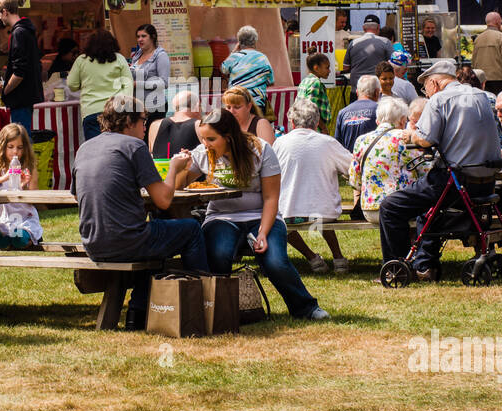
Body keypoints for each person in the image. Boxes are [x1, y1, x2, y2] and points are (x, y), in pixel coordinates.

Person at [72, 94, 210, 330]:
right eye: (143, 121)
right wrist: (175, 167)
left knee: (157, 234)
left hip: (93, 242)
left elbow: (80, 193)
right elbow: (164, 200)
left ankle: (138, 310)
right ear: (128, 121)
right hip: (127, 240)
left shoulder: (86, 147)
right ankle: (205, 302)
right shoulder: (134, 146)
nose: (145, 127)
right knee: (190, 229)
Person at [182, 107, 329, 321]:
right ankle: (220, 311)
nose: (206, 144)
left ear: (229, 137)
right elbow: (179, 187)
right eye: (203, 139)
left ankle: (305, 307)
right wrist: (181, 168)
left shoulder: (260, 150)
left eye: (211, 139)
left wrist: (262, 232)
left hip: (261, 216)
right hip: (221, 217)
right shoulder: (203, 153)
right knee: (218, 254)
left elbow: (271, 198)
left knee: (275, 262)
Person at [377, 58, 502, 277]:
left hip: (454, 181)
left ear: (434, 83)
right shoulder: (481, 95)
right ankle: (425, 264)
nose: (427, 94)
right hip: (486, 182)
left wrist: (411, 134)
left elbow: (426, 139)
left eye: (425, 89)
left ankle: (397, 268)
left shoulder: (440, 100)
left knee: (390, 206)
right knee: (429, 207)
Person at [275, 97, 352, 274]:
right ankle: (338, 258)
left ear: (292, 122)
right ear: (317, 122)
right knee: (321, 211)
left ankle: (312, 257)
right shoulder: (328, 142)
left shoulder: (280, 143)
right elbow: (351, 167)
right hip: (324, 213)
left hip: (289, 213)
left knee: (281, 220)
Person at [349, 96, 432, 223]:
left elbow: (355, 181)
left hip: (370, 210)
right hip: (400, 208)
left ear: (377, 120)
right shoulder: (405, 139)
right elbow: (426, 172)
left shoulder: (361, 140)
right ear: (403, 120)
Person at [66, 30, 134, 141]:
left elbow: (72, 85)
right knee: (117, 147)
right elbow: (128, 85)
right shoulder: (119, 59)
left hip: (91, 111)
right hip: (115, 110)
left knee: (96, 149)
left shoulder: (81, 60)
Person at [0, 123, 43, 250]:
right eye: (10, 147)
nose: (15, 151)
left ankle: (26, 239)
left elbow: (36, 198)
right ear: (3, 146)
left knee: (19, 238)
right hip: (5, 218)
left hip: (24, 218)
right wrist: (3, 178)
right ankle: (8, 240)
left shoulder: (29, 168)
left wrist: (24, 187)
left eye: (20, 147)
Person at [0, 0, 44, 134]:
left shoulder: (18, 33)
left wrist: (6, 90)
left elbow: (19, 71)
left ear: (5, 12)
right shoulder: (27, 31)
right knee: (23, 137)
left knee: (20, 138)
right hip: (27, 95)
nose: (0, 17)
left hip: (20, 98)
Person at [219, 25, 274, 109]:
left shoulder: (235, 57)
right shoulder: (263, 58)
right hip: (257, 104)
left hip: (236, 103)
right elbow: (271, 82)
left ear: (239, 42)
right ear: (255, 41)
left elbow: (223, 69)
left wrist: (234, 51)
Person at [128, 24, 170, 121]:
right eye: (138, 37)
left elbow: (164, 83)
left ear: (153, 37)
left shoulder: (161, 56)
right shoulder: (137, 55)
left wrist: (138, 84)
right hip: (139, 107)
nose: (140, 39)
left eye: (143, 36)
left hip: (155, 106)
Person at [470, 12, 502, 93]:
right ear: (497, 22)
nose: (501, 22)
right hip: (499, 81)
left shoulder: (478, 39)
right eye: (501, 21)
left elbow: (473, 62)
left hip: (481, 81)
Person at [342, 14, 393, 91]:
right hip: (378, 89)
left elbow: (345, 67)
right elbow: (393, 64)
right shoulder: (386, 42)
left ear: (363, 28)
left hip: (357, 89)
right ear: (378, 27)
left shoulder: (353, 43)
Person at [334, 75, 381, 153]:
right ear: (377, 92)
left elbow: (338, 145)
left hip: (349, 162)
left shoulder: (342, 113)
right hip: (371, 162)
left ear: (357, 92)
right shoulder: (380, 110)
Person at [149, 90, 201, 158]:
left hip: (160, 168)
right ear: (196, 107)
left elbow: (151, 153)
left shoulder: (155, 125)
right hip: (188, 168)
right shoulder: (199, 125)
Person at [297, 51, 332, 130]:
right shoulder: (315, 83)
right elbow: (311, 109)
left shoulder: (304, 81)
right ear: (316, 68)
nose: (329, 71)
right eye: (327, 68)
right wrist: (323, 128)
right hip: (314, 128)